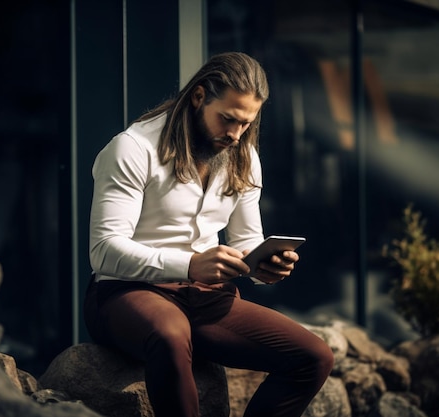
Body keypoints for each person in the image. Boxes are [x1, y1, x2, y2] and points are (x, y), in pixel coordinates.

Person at [84, 52, 334, 417]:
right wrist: (189, 265)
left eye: (245, 124)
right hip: (125, 291)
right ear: (199, 97)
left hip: (204, 298)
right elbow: (103, 251)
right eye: (228, 119)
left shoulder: (243, 155)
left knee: (314, 357)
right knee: (171, 334)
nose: (235, 134)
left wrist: (262, 266)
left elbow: (246, 239)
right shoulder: (132, 149)